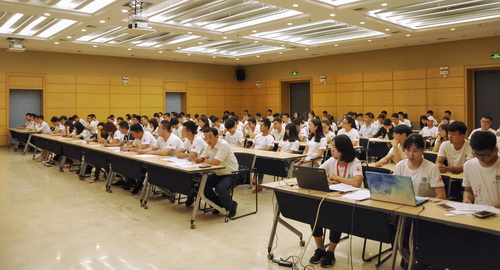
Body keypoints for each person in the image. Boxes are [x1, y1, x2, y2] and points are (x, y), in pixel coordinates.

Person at [309, 135, 363, 267]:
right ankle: (320, 249)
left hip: (352, 202)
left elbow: (356, 182)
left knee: (336, 217)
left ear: (343, 149)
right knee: (313, 214)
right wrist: (328, 179)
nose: (331, 149)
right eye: (331, 146)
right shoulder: (332, 160)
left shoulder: (355, 162)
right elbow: (317, 173)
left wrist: (336, 177)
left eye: (334, 147)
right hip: (333, 198)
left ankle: (331, 252)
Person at [195, 127, 239, 217]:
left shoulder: (223, 145)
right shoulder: (208, 146)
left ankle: (231, 205)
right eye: (206, 138)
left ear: (217, 136)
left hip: (231, 173)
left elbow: (215, 162)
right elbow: (202, 157)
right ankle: (218, 205)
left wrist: (204, 160)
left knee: (220, 188)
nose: (208, 140)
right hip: (218, 173)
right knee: (203, 185)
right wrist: (196, 158)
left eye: (210, 137)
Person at [394, 134, 446, 199]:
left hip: (426, 206)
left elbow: (441, 196)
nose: (411, 155)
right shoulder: (400, 166)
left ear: (423, 149)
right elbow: (394, 190)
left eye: (415, 151)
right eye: (408, 150)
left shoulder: (431, 168)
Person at [463, 131, 499, 208]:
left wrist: (493, 209)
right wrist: (467, 199)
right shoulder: (469, 165)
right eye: (476, 154)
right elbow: (468, 190)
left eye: (485, 155)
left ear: (495, 150)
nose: (480, 158)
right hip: (479, 213)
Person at [250, 118, 274, 192]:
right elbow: (252, 146)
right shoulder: (257, 136)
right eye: (260, 125)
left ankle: (259, 183)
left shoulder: (270, 138)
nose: (260, 127)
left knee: (261, 163)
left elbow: (267, 149)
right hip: (254, 154)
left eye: (262, 125)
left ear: (266, 127)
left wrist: (257, 150)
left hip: (264, 157)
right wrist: (250, 150)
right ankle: (249, 179)